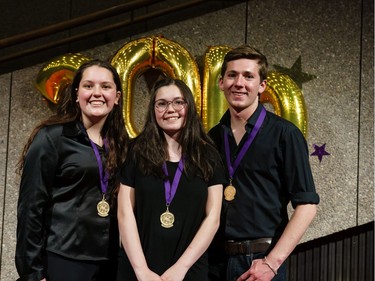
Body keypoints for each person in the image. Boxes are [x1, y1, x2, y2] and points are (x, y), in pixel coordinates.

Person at [208, 45, 320, 281]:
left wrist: (271, 264)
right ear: (221, 82)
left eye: (248, 76)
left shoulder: (285, 134)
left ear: (262, 86)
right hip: (215, 263)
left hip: (260, 263)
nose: (239, 83)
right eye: (232, 75)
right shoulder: (212, 137)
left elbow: (307, 205)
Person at [15, 59, 129, 281]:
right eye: (88, 86)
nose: (97, 92)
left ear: (117, 97)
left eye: (106, 86)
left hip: (109, 262)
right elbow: (30, 207)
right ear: (77, 94)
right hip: (62, 259)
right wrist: (33, 272)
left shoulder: (122, 144)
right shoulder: (53, 137)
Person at [116, 77, 226, 281]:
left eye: (178, 102)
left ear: (189, 106)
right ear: (153, 110)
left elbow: (213, 218)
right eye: (162, 104)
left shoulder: (208, 155)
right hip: (138, 269)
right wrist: (141, 271)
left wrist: (181, 268)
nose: (170, 109)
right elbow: (125, 213)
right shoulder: (136, 151)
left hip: (189, 269)